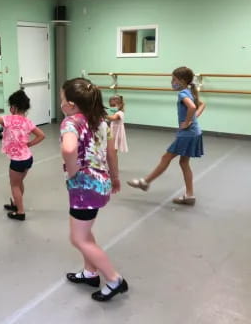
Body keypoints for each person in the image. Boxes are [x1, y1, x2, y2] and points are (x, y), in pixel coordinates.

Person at [60, 78, 128, 302]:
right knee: (84, 232)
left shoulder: (71, 122)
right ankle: (90, 273)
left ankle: (114, 279)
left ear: (71, 104)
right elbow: (111, 153)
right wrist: (116, 178)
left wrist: (72, 172)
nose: (61, 103)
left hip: (84, 188)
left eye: (61, 99)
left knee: (78, 239)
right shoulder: (100, 121)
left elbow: (69, 149)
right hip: (101, 184)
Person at [127, 66, 206, 205]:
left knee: (166, 157)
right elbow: (202, 105)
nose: (172, 82)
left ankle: (145, 182)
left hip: (187, 134)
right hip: (195, 132)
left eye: (174, 79)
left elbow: (193, 107)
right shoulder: (189, 91)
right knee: (184, 162)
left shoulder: (182, 93)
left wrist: (188, 121)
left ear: (181, 81)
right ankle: (190, 196)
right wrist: (193, 119)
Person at [0, 89, 45, 221]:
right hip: (28, 158)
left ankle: (20, 212)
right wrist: (29, 144)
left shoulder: (7, 119)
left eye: (10, 107)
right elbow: (42, 135)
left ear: (14, 107)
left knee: (14, 186)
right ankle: (16, 204)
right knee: (18, 183)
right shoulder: (27, 122)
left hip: (17, 161)